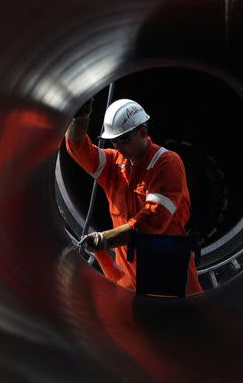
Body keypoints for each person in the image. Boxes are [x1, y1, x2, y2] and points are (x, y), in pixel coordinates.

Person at [65, 97, 203, 295]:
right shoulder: (115, 164)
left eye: (123, 140)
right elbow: (79, 150)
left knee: (178, 321)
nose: (118, 146)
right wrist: (80, 118)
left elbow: (152, 222)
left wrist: (104, 239)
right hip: (130, 274)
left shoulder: (167, 163)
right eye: (114, 141)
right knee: (128, 323)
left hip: (167, 270)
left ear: (143, 132)